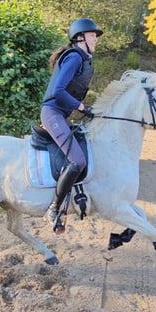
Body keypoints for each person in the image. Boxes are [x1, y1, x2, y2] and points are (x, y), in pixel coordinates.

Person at [41, 17, 102, 233]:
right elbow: (58, 91)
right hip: (53, 113)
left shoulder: (83, 60)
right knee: (77, 160)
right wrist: (82, 107)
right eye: (93, 35)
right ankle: (54, 209)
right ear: (80, 37)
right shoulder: (75, 58)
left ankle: (71, 202)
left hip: (62, 115)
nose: (96, 39)